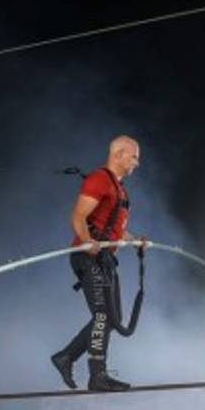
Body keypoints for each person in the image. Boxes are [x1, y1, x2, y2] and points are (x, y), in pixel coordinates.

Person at [51, 135, 142, 392]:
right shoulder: (99, 179)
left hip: (105, 259)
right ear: (119, 154)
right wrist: (87, 240)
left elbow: (115, 231)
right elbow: (78, 216)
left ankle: (66, 357)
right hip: (87, 256)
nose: (137, 162)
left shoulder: (120, 189)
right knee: (103, 315)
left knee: (114, 318)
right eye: (134, 156)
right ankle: (97, 375)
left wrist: (136, 240)